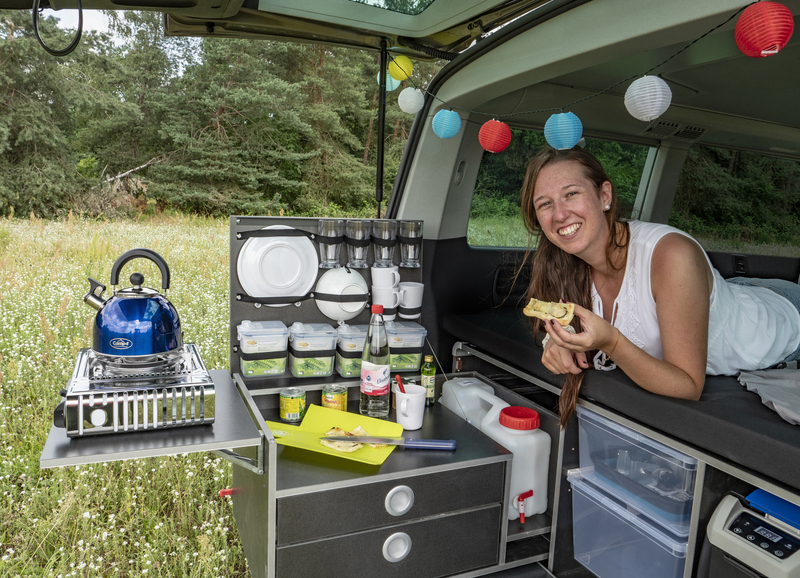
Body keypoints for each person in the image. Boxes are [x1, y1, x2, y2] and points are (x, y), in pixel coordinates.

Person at [519, 147, 800, 427]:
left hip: (782, 322)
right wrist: (558, 338)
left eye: (571, 194)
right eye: (545, 204)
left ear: (604, 195)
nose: (559, 214)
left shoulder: (672, 256)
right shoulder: (563, 264)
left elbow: (688, 385)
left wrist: (611, 342)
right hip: (732, 294)